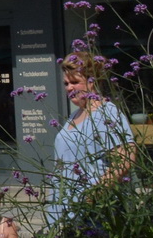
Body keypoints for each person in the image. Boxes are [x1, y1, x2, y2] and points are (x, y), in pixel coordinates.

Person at [49, 54, 135, 221]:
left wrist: (92, 196)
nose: (68, 88)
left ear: (92, 81)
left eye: (74, 82)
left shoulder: (107, 113)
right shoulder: (74, 115)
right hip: (65, 210)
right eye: (66, 84)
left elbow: (125, 158)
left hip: (92, 213)